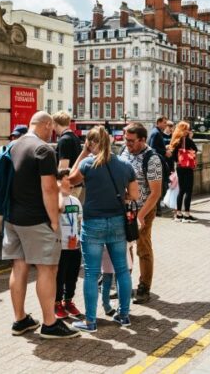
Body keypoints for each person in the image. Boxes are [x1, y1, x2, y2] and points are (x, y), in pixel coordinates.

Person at [5, 111, 79, 339]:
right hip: (37, 219)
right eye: (51, 128)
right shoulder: (43, 150)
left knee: (19, 267)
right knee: (47, 269)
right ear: (46, 124)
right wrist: (55, 220)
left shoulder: (14, 146)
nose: (52, 133)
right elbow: (48, 189)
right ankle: (50, 323)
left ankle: (20, 320)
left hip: (12, 218)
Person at [67, 126, 139, 331]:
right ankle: (124, 315)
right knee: (122, 271)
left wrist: (83, 152)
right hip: (117, 222)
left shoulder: (87, 164)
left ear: (91, 143)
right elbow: (134, 195)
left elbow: (71, 180)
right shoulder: (125, 165)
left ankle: (90, 321)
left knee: (91, 273)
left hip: (93, 223)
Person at [121, 122, 163, 304]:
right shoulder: (124, 151)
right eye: (126, 140)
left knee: (142, 248)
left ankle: (144, 287)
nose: (127, 143)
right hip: (126, 208)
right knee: (124, 247)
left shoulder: (152, 159)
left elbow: (156, 192)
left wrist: (141, 214)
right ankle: (124, 284)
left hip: (143, 208)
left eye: (131, 141)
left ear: (143, 140)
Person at [54, 169, 82, 321]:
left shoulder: (75, 201)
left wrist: (79, 238)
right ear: (59, 182)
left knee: (72, 276)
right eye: (67, 180)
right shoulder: (55, 200)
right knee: (59, 277)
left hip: (74, 246)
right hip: (61, 247)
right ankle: (56, 303)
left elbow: (79, 220)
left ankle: (68, 301)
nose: (71, 183)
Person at [166, 121, 198, 223]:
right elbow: (195, 150)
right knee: (188, 191)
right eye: (187, 129)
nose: (188, 131)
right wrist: (190, 138)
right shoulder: (187, 140)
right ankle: (187, 214)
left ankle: (178, 214)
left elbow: (173, 157)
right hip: (188, 167)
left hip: (179, 167)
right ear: (184, 130)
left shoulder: (175, 140)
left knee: (181, 191)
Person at [53, 111, 83, 200]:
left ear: (56, 124)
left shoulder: (64, 140)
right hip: (76, 184)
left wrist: (58, 186)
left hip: (68, 186)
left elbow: (63, 167)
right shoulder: (75, 138)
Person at [147, 116, 170, 216]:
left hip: (157, 162)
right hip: (156, 164)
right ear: (158, 122)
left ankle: (157, 209)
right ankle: (156, 209)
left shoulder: (156, 132)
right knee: (158, 187)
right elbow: (152, 149)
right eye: (164, 123)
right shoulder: (156, 133)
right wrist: (165, 152)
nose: (166, 125)